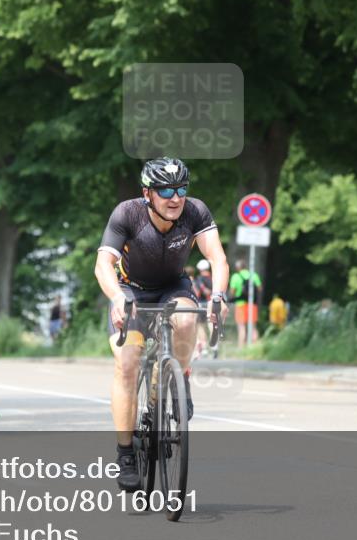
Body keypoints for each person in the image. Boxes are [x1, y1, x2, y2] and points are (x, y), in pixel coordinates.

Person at [94, 158, 229, 491]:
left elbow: (217, 258)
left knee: (186, 320)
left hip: (172, 288)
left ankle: (175, 378)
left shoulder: (195, 212)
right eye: (165, 190)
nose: (175, 198)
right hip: (131, 291)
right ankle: (125, 453)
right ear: (147, 193)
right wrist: (116, 297)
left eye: (181, 189)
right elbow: (103, 264)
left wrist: (219, 296)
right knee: (127, 363)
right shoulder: (128, 214)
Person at [229, 259, 262, 347]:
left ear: (237, 268)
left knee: (241, 327)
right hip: (252, 304)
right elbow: (260, 289)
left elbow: (232, 292)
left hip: (240, 304)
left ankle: (241, 348)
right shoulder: (253, 275)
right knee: (253, 327)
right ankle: (255, 348)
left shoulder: (235, 276)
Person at [192, 259, 214, 357]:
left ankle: (204, 347)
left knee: (200, 325)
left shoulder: (199, 279)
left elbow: (200, 292)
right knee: (211, 323)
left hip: (202, 303)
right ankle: (214, 345)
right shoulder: (213, 278)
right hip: (213, 303)